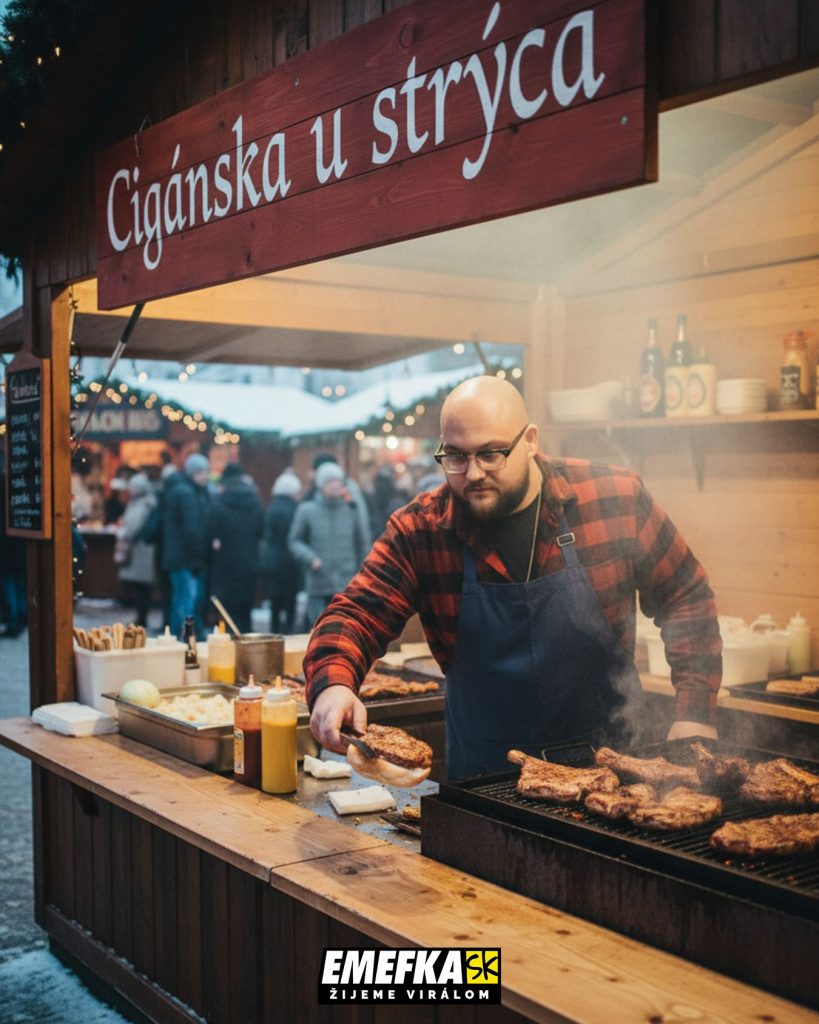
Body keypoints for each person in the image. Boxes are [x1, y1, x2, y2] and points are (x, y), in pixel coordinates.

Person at [304, 375, 722, 780]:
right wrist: (333, 685)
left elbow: (684, 595)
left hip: (614, 766)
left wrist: (695, 714)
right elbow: (356, 613)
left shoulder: (615, 499)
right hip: (486, 779)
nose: (472, 474)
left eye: (491, 454)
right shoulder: (423, 529)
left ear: (531, 441)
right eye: (456, 456)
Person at [288, 461, 368, 627]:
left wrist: (365, 572)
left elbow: (362, 542)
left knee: (345, 630)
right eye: (330, 482)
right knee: (319, 629)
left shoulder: (351, 510)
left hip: (346, 581)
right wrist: (310, 558)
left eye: (338, 481)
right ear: (321, 485)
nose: (335, 485)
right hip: (319, 581)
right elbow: (294, 541)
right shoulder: (307, 510)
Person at [206, 462, 264, 634]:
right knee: (245, 608)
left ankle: (229, 645)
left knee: (227, 609)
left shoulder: (219, 501)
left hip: (225, 562)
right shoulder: (255, 499)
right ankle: (247, 643)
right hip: (250, 560)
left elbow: (209, 530)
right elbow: (261, 528)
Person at [161, 452, 211, 638]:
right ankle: (183, 639)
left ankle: (180, 637)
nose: (205, 475)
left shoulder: (184, 491)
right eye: (201, 471)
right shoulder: (187, 494)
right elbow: (192, 530)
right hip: (185, 559)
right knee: (186, 601)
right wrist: (200, 555)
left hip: (180, 557)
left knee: (183, 599)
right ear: (192, 473)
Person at [260, 469, 303, 634]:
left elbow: (267, 535)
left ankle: (274, 631)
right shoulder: (295, 509)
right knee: (290, 601)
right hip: (290, 561)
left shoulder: (271, 508)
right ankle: (289, 631)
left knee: (275, 602)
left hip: (273, 560)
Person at [115, 473, 157, 628]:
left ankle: (142, 617)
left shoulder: (144, 504)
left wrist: (125, 532)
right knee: (139, 586)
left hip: (142, 550)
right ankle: (140, 616)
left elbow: (134, 525)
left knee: (142, 587)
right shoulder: (137, 503)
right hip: (138, 549)